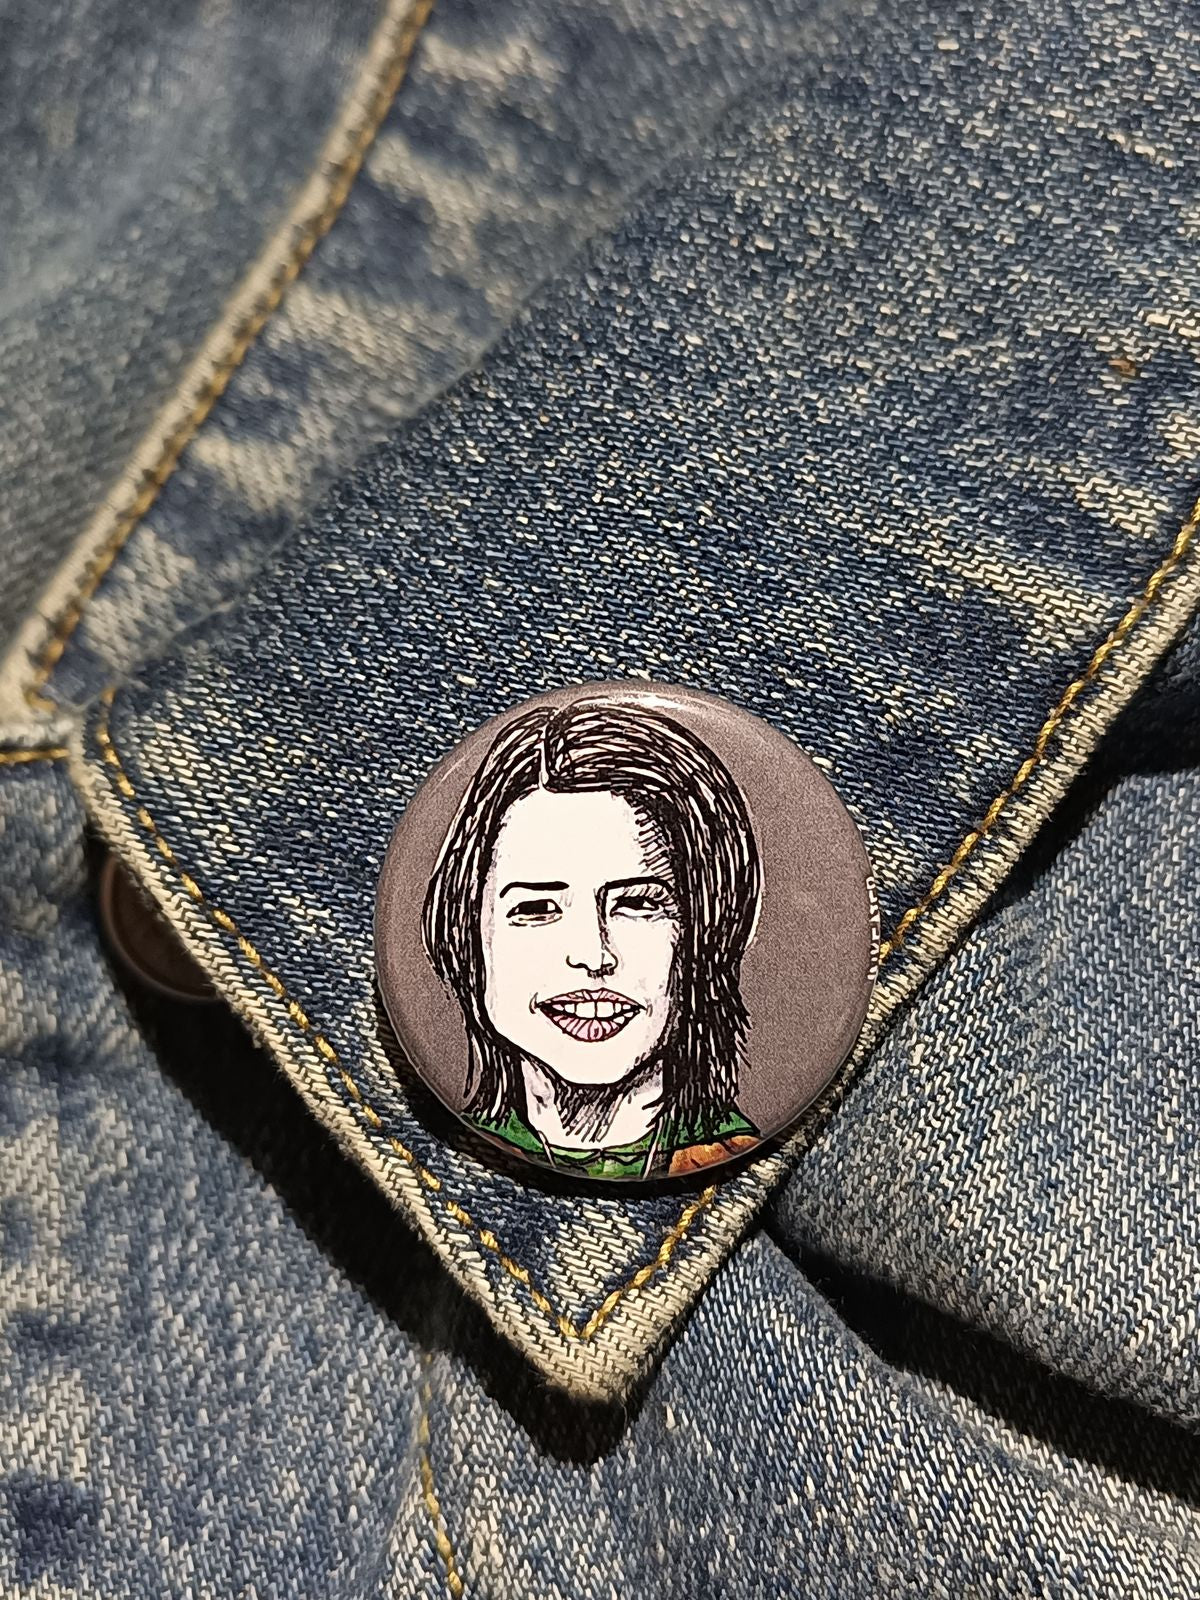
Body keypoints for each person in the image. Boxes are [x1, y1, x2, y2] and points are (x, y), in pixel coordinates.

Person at [422, 698, 764, 1178]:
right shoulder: (448, 1146)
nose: (592, 954)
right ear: (469, 934)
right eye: (536, 909)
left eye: (638, 904)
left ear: (702, 932)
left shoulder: (734, 1151)